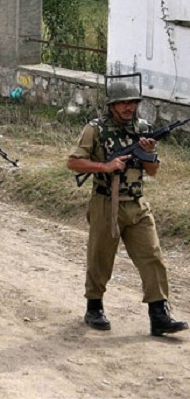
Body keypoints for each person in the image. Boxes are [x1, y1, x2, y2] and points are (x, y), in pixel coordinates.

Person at [66, 77, 188, 336]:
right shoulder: (95, 129)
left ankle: (159, 314)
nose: (128, 107)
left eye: (132, 102)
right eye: (122, 103)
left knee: (152, 257)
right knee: (100, 258)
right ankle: (94, 307)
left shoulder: (143, 129)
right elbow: (74, 162)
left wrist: (149, 152)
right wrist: (105, 166)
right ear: (112, 105)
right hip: (105, 204)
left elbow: (152, 171)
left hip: (137, 204)